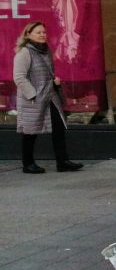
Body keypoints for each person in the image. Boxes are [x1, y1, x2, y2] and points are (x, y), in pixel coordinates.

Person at [13, 21, 83, 174]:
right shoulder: (24, 53)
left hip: (50, 95)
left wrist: (54, 81)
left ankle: (62, 161)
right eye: (38, 32)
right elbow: (19, 78)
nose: (42, 35)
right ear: (28, 34)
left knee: (58, 128)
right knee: (30, 131)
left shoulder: (46, 51)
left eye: (44, 32)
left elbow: (46, 73)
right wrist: (33, 95)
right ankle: (28, 164)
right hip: (33, 98)